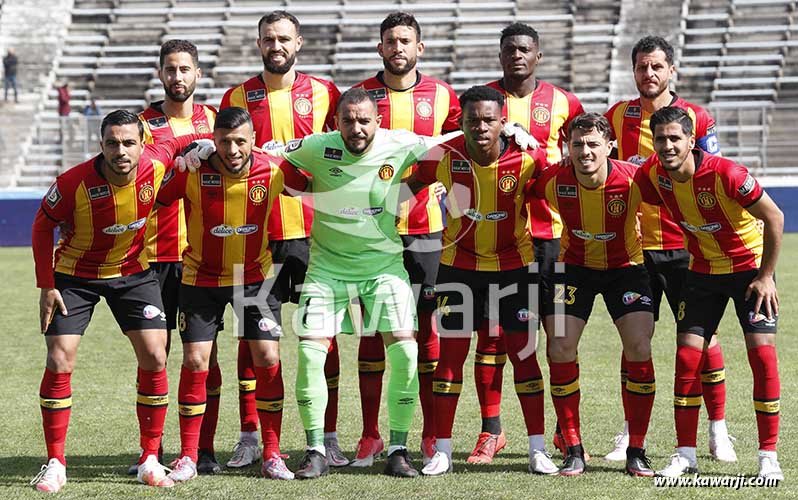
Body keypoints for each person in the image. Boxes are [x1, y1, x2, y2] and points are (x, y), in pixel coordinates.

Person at [29, 109, 206, 493]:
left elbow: (178, 140)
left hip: (132, 273)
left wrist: (204, 144)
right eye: (112, 143)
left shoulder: (156, 161)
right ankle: (56, 463)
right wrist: (47, 285)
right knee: (59, 358)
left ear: (142, 144)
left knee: (156, 355)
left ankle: (149, 458)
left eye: (128, 143)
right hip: (75, 276)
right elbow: (42, 225)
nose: (121, 151)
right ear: (101, 145)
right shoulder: (73, 182)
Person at [404, 85, 557, 476]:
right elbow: (406, 186)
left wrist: (538, 147)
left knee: (524, 356)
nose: (481, 127)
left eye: (489, 120)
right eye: (473, 120)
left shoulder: (527, 158)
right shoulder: (444, 154)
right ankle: (442, 451)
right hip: (459, 268)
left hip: (515, 268)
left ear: (503, 121)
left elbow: (562, 184)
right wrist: (390, 220)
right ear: (462, 122)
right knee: (449, 359)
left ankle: (538, 449)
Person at [219, 11, 346, 468]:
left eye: (284, 39)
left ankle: (328, 435)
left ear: (299, 42)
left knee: (324, 337)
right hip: (256, 236)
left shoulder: (325, 93)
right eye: (269, 39)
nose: (277, 46)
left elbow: (344, 151)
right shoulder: (236, 96)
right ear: (259, 44)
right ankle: (249, 435)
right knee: (251, 339)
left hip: (316, 234)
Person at [156, 106, 308, 482]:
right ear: (214, 141)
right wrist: (182, 156)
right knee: (196, 361)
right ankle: (189, 456)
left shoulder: (273, 169)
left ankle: (272, 454)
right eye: (224, 142)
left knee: (268, 356)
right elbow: (159, 196)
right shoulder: (194, 171)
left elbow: (312, 184)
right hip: (200, 279)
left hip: (255, 279)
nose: (233, 149)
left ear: (253, 140)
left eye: (241, 141)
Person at [636, 107, 784, 481]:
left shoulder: (727, 174)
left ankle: (768, 456)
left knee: (762, 357)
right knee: (687, 358)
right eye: (660, 139)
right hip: (701, 271)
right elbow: (623, 181)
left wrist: (766, 276)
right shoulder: (652, 174)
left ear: (692, 140)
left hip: (749, 273)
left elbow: (775, 217)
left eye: (675, 138)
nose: (667, 146)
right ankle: (685, 454)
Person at [603, 35, 733, 462]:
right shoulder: (617, 116)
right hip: (635, 251)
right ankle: (629, 432)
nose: (649, 73)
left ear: (671, 70)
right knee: (634, 342)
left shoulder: (698, 117)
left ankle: (718, 430)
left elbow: (713, 171)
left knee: (702, 340)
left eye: (657, 66)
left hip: (686, 248)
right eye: (642, 66)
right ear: (633, 71)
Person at [350, 11, 461, 467]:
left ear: (420, 47)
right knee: (372, 331)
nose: (398, 48)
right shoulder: (359, 97)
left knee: (426, 329)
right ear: (380, 48)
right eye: (390, 41)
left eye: (405, 40)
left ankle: (431, 434)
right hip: (374, 232)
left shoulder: (443, 96)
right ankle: (370, 434)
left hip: (426, 229)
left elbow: (462, 143)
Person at [482, 23, 583, 462]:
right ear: (500, 55)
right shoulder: (482, 99)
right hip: (500, 239)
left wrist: (537, 152)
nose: (517, 55)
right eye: (510, 49)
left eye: (525, 49)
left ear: (538, 55)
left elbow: (584, 156)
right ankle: (491, 430)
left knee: (557, 336)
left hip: (553, 238)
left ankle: (564, 431)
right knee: (493, 337)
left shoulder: (565, 103)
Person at [533, 113, 656, 477]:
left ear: (609, 147)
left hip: (626, 269)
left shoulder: (634, 179)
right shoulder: (554, 180)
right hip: (572, 269)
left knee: (639, 347)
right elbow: (520, 191)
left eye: (592, 144)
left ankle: (637, 450)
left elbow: (677, 196)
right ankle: (573, 448)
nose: (584, 152)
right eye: (577, 145)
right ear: (567, 148)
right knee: (559, 347)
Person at [127, 39, 219, 477]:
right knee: (155, 356)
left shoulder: (215, 120)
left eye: (185, 69)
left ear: (197, 73)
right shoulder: (142, 126)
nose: (177, 76)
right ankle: (153, 450)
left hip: (202, 256)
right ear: (160, 73)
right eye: (170, 69)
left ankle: (203, 449)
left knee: (205, 357)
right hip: (153, 256)